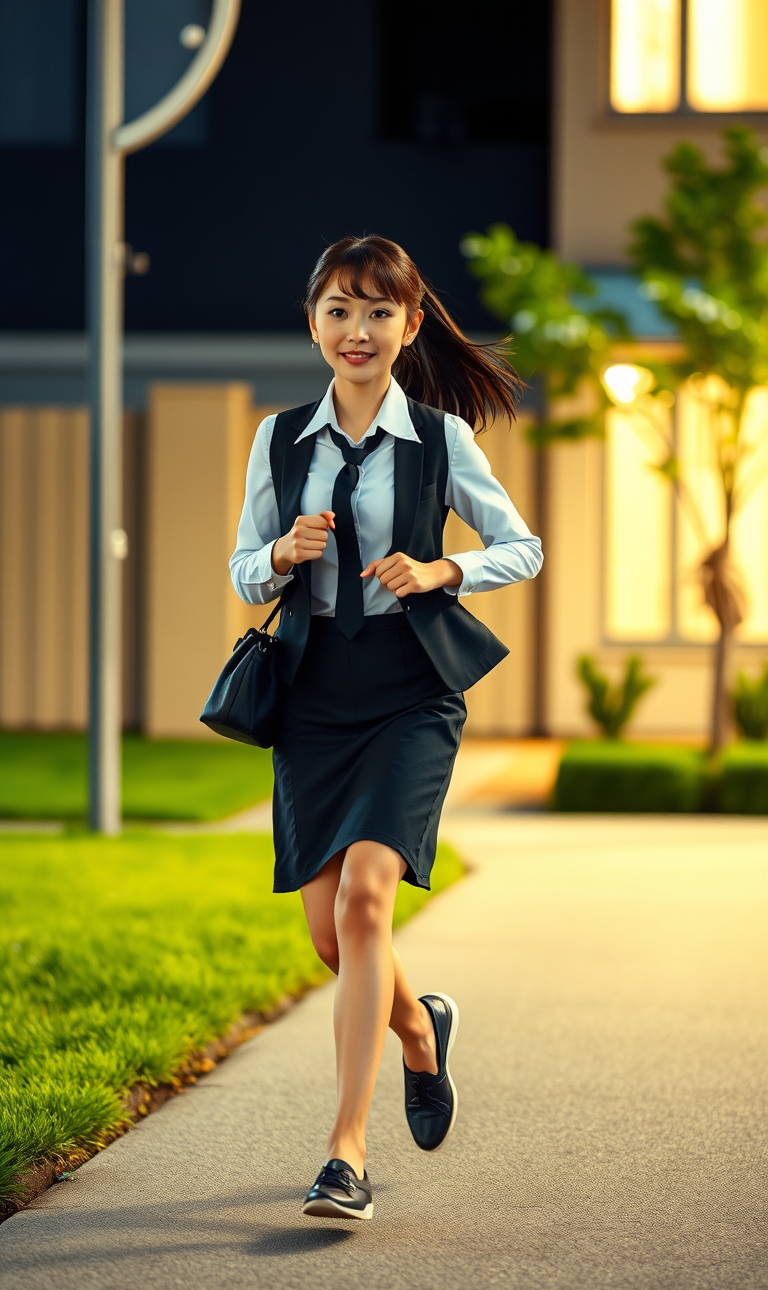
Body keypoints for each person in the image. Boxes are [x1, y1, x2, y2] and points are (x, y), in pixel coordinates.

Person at [230, 235, 542, 1221]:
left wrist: (443, 570)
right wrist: (281, 550)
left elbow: (520, 547)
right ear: (313, 321)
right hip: (313, 696)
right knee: (331, 936)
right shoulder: (278, 439)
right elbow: (243, 569)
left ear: (411, 326)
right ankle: (420, 1031)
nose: (356, 330)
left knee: (369, 900)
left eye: (377, 311)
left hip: (410, 690)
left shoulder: (443, 441)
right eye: (337, 309)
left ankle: (345, 1153)